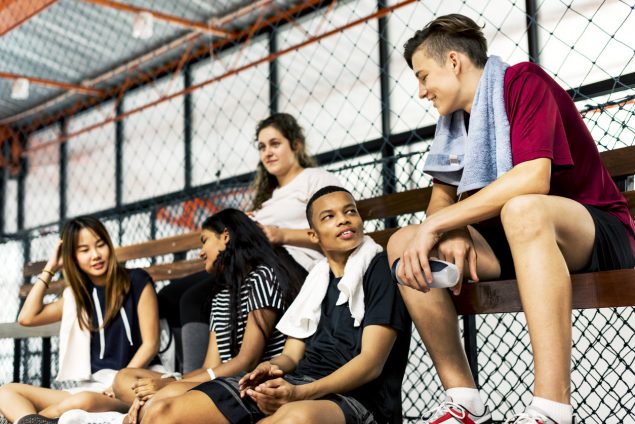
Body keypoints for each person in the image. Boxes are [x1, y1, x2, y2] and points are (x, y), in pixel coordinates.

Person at [387, 13, 635, 424]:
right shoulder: (453, 122)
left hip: (591, 231)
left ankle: (552, 408)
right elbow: (440, 198)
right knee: (403, 243)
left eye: (423, 75)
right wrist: (444, 225)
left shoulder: (522, 82)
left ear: (453, 61)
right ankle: (463, 400)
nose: (421, 91)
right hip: (514, 237)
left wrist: (442, 223)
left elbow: (533, 178)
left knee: (523, 207)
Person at [138, 186, 411, 424]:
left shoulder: (379, 269)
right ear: (313, 235)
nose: (343, 220)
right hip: (299, 384)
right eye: (329, 216)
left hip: (357, 399)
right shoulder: (316, 282)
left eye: (350, 212)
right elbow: (291, 356)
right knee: (162, 410)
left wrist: (299, 394)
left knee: (293, 418)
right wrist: (267, 368)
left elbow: (371, 364)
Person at [69, 209, 305, 424]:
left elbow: (247, 362)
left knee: (161, 399)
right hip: (221, 380)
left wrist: (172, 384)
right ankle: (138, 407)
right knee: (124, 379)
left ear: (225, 237)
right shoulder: (221, 296)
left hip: (249, 383)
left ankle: (130, 412)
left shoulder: (262, 277)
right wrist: (172, 380)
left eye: (204, 241)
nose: (201, 252)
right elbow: (210, 366)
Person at [158, 113, 341, 372]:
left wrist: (282, 235)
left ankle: (194, 379)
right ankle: (183, 373)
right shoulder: (266, 200)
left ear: (296, 145)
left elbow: (339, 231)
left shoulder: (315, 179)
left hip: (289, 266)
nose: (267, 152)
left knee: (195, 298)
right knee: (169, 295)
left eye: (275, 143)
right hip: (252, 264)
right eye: (262, 146)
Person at [0, 217, 162, 424]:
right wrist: (52, 265)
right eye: (84, 250)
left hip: (131, 385)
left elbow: (151, 344)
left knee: (81, 401)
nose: (95, 255)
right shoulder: (78, 297)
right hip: (92, 386)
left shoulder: (137, 281)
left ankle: (33, 420)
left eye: (100, 245)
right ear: (72, 256)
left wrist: (117, 384)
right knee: (6, 392)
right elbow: (27, 317)